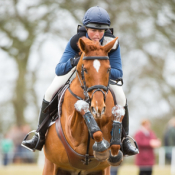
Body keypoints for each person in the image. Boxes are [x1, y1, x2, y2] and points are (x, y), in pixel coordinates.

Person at [21, 6, 138, 156]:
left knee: (121, 97)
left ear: (106, 30)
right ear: (86, 28)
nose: (97, 35)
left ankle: (124, 139)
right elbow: (59, 69)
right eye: (93, 30)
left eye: (101, 31)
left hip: (101, 77)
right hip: (78, 70)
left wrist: (99, 71)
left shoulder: (111, 43)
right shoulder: (76, 40)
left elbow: (118, 72)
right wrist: (76, 61)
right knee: (50, 91)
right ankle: (39, 134)